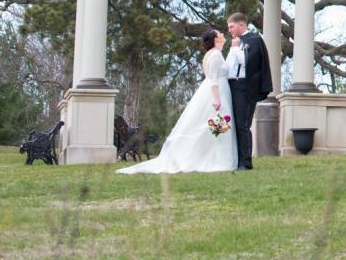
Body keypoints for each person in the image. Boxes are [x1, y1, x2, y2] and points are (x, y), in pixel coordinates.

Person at [117, 29, 236, 174]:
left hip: (213, 93)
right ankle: (216, 158)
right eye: (220, 34)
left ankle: (212, 156)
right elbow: (213, 80)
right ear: (215, 39)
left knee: (214, 127)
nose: (223, 35)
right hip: (217, 94)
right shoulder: (216, 55)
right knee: (219, 126)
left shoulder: (212, 54)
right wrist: (217, 99)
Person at [225, 12, 273, 170]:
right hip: (233, 87)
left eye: (232, 27)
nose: (230, 30)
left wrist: (235, 49)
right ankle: (235, 160)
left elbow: (248, 63)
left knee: (243, 125)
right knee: (235, 125)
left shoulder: (254, 40)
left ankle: (245, 162)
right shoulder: (236, 42)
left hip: (245, 89)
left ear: (241, 25)